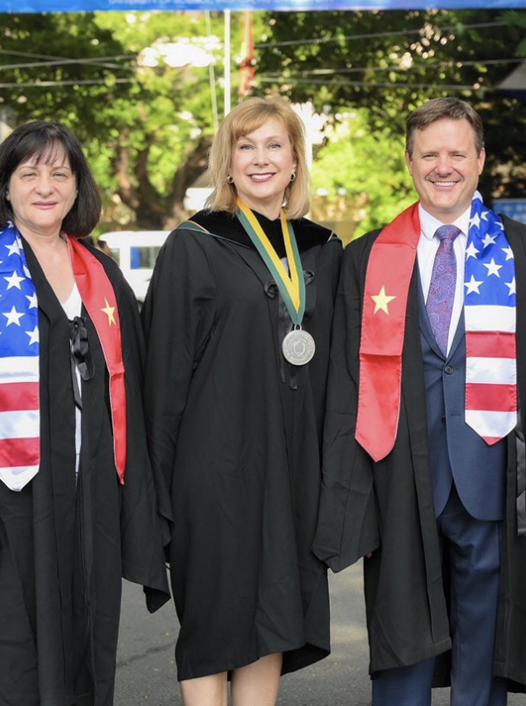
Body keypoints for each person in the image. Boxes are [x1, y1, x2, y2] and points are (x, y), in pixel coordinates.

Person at [313, 97, 526, 705]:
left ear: (480, 159)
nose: (444, 166)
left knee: (484, 637)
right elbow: (345, 383)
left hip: (491, 466)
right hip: (402, 470)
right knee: (403, 629)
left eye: (457, 153)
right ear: (409, 162)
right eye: (429, 154)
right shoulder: (365, 260)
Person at [0, 120, 169, 706]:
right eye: (29, 172)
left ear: (78, 187)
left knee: (86, 642)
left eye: (60, 173)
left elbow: (132, 387)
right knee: (8, 651)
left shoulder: (103, 275)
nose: (45, 185)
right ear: (3, 186)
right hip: (6, 496)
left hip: (89, 493)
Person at [143, 96, 341, 706]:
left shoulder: (322, 251)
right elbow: (164, 377)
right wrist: (160, 488)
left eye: (274, 145)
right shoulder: (194, 245)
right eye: (245, 146)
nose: (260, 159)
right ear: (226, 163)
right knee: (214, 616)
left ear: (294, 161)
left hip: (293, 467)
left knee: (277, 610)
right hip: (214, 468)